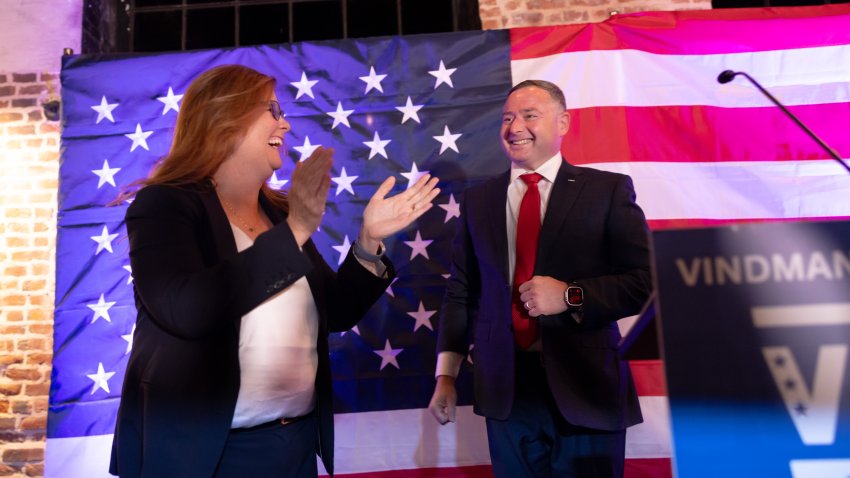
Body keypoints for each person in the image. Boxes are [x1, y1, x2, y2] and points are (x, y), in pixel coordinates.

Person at [109, 64, 439, 478]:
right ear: (225, 118)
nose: (285, 123)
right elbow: (185, 309)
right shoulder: (164, 205)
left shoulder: (278, 213)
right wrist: (298, 228)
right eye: (272, 109)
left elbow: (334, 311)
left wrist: (369, 241)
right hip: (203, 453)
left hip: (293, 445)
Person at [428, 79, 651, 478]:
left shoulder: (607, 190)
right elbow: (462, 292)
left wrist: (571, 295)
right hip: (507, 395)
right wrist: (446, 375)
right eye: (508, 117)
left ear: (563, 123)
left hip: (586, 391)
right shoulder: (479, 201)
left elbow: (644, 280)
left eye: (530, 115)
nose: (515, 127)